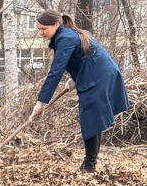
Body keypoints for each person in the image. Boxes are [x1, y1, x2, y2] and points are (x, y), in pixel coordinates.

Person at [29, 10, 129, 173]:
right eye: (38, 29)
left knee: (89, 117)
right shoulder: (65, 35)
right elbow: (80, 57)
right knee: (92, 118)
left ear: (56, 24)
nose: (40, 33)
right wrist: (74, 78)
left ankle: (89, 165)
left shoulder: (66, 38)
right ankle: (89, 163)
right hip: (94, 73)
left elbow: (55, 72)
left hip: (99, 76)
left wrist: (41, 103)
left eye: (43, 29)